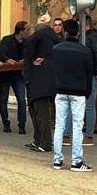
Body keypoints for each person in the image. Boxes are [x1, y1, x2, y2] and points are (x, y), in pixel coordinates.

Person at [51, 19, 94, 171]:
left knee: (59, 125)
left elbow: (52, 70)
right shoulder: (85, 51)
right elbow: (89, 73)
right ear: (78, 32)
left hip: (61, 90)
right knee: (77, 126)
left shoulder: (56, 49)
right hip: (78, 92)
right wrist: (87, 91)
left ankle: (57, 160)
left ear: (65, 32)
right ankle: (76, 161)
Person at [64, 17, 97, 147]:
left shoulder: (91, 38)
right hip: (84, 74)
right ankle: (69, 134)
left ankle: (88, 136)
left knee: (88, 106)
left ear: (85, 25)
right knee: (77, 104)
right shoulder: (85, 38)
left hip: (89, 75)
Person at [23, 17, 60, 152]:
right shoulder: (56, 40)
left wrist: (31, 60)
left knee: (40, 113)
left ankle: (44, 143)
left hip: (37, 80)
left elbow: (28, 45)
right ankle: (38, 140)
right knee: (40, 112)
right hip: (50, 80)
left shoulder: (37, 37)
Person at [0, 21, 29, 134]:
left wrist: (25, 60)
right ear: (20, 31)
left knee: (21, 100)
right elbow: (0, 52)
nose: (28, 32)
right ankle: (6, 123)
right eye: (27, 30)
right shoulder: (7, 40)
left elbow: (30, 54)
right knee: (3, 99)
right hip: (6, 74)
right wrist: (6, 59)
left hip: (19, 75)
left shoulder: (27, 43)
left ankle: (22, 125)